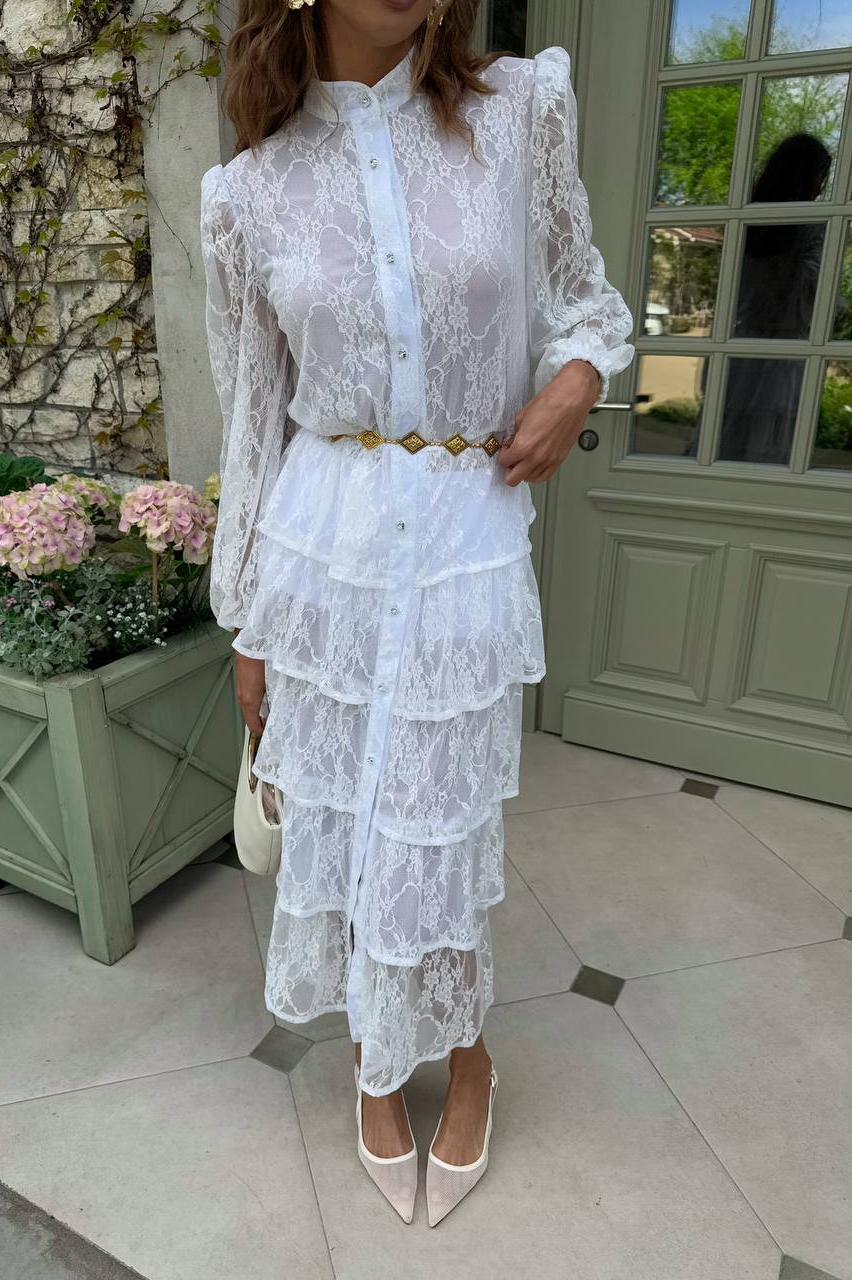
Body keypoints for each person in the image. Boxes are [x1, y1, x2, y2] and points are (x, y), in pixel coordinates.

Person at [200, 0, 635, 1227]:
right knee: (341, 822)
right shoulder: (250, 193)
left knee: (435, 824)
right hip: (320, 546)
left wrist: (575, 383)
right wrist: (249, 622)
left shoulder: (518, 116)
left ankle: (470, 1049)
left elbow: (588, 301)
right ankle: (373, 1066)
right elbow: (251, 415)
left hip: (464, 531)